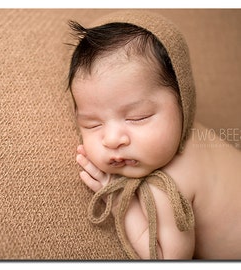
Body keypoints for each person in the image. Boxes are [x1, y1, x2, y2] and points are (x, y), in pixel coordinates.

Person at [66, 10, 241, 259]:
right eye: (93, 124)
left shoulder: (170, 183)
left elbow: (168, 258)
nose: (113, 139)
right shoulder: (191, 133)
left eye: (138, 117)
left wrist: (119, 202)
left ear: (184, 101)